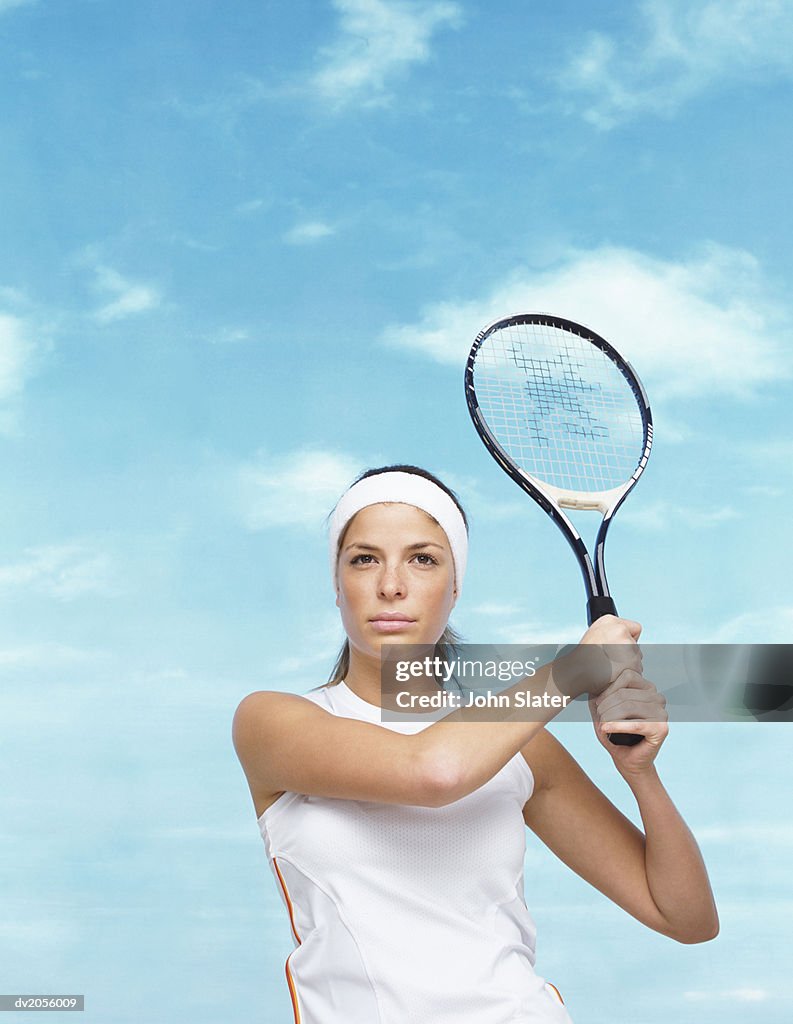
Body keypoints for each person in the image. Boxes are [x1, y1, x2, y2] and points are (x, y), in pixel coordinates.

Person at [232, 464, 719, 1024]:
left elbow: (686, 918)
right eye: (364, 559)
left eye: (423, 559)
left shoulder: (518, 748)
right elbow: (433, 773)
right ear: (337, 584)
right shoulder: (273, 722)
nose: (391, 584)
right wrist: (575, 667)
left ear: (456, 584)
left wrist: (641, 774)